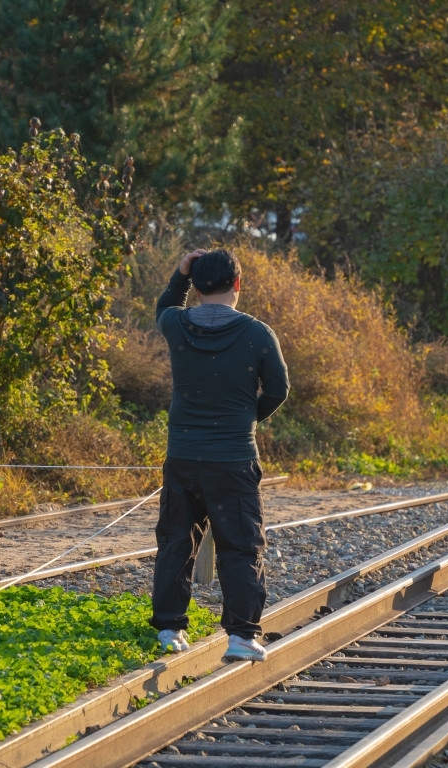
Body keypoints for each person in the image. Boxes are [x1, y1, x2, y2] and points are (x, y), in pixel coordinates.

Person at [151, 247, 290, 662]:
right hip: (233, 459)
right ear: (238, 284)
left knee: (176, 541)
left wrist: (179, 275)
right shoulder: (258, 334)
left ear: (195, 285)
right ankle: (242, 635)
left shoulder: (177, 325)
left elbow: (165, 305)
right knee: (241, 544)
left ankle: (170, 628)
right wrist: (247, 419)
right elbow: (279, 390)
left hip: (182, 458)